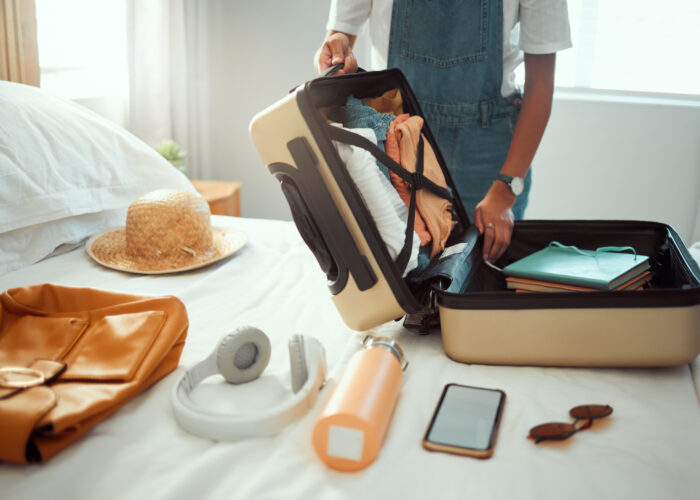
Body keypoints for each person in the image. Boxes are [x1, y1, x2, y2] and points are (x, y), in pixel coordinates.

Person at [316, 0, 571, 262]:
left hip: (489, 158)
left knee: (478, 282)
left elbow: (540, 84)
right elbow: (338, 37)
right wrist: (334, 55)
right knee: (399, 275)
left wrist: (506, 189)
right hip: (396, 143)